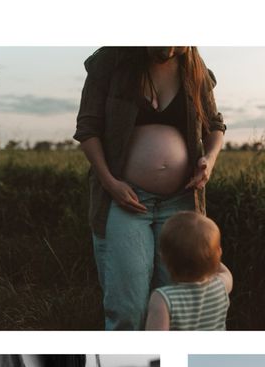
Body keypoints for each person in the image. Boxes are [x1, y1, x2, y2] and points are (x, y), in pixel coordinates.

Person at [74, 46, 226, 330]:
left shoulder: (193, 66)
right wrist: (110, 183)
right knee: (128, 309)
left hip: (181, 203)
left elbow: (214, 125)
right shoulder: (111, 61)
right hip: (125, 198)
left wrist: (210, 158)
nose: (168, 49)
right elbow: (88, 129)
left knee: (176, 306)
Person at [145, 211, 233, 330]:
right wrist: (212, 255)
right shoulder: (221, 286)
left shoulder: (163, 299)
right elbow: (226, 273)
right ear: (217, 255)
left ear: (163, 258)